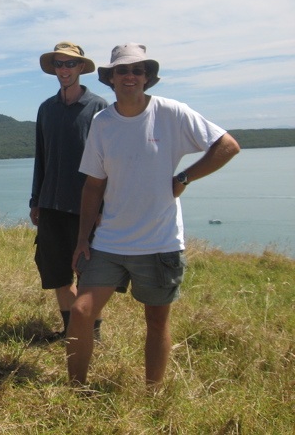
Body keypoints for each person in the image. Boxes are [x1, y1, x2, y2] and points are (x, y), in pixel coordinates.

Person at [65, 43, 240, 388]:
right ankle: (75, 390)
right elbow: (93, 186)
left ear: (147, 77)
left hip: (159, 242)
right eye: (122, 71)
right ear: (111, 78)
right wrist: (83, 238)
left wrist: (183, 177)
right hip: (111, 241)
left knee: (157, 321)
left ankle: (153, 394)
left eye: (137, 70)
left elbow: (227, 145)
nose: (130, 76)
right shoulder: (103, 122)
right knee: (82, 312)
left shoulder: (172, 112)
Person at [29, 42, 107, 342]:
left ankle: (92, 334)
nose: (64, 69)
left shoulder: (99, 109)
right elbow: (42, 157)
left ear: (81, 68)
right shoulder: (46, 109)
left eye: (70, 64)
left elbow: (107, 163)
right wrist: (36, 200)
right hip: (51, 205)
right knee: (56, 272)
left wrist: (103, 208)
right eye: (59, 64)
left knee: (87, 274)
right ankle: (70, 331)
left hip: (86, 206)